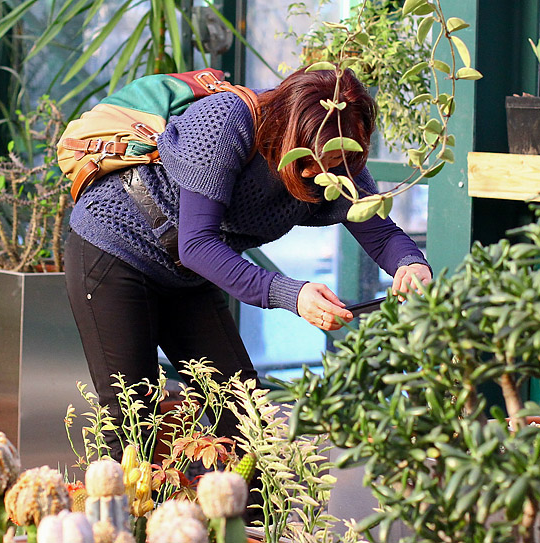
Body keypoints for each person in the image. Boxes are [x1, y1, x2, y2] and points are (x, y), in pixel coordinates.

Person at [63, 67, 432, 459]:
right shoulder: (227, 121)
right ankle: (125, 518)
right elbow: (197, 243)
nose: (318, 174)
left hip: (185, 276)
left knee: (243, 420)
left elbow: (379, 232)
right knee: (132, 423)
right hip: (115, 249)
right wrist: (294, 295)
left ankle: (244, 520)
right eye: (311, 158)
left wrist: (410, 264)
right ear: (289, 131)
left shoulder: (337, 165)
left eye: (339, 159)